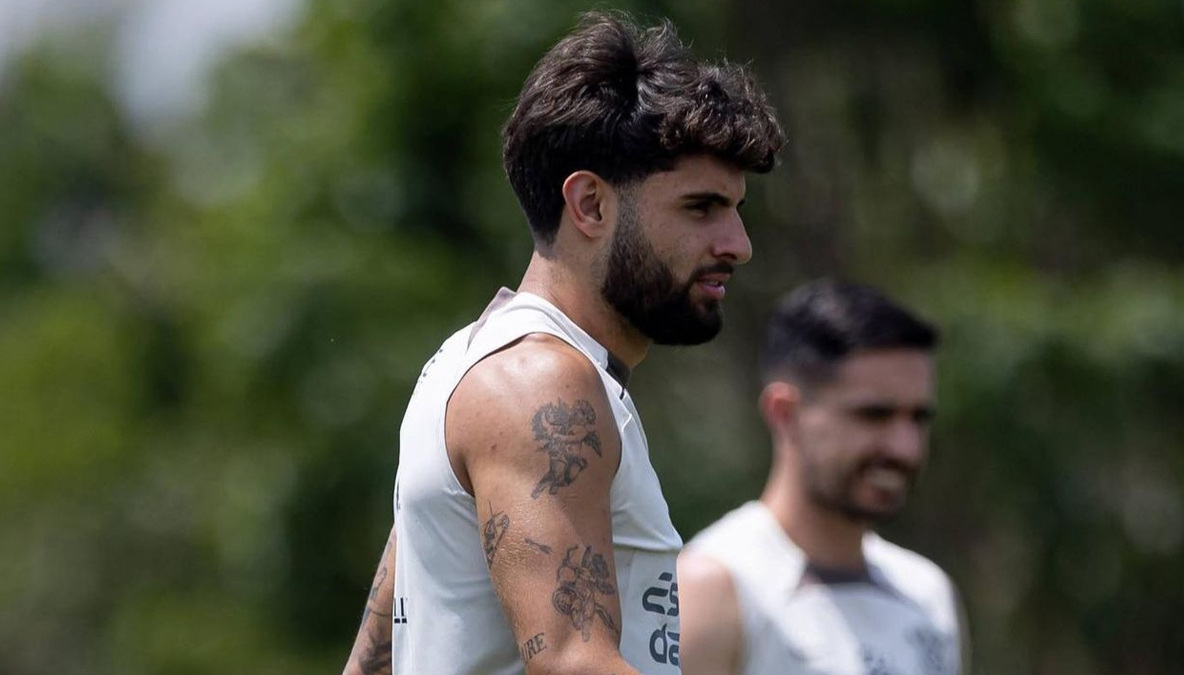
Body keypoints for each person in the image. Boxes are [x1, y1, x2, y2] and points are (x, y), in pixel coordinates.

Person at [342, 12, 785, 675]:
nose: (737, 245)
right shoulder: (541, 383)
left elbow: (373, 663)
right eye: (701, 208)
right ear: (590, 205)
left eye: (736, 210)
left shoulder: (486, 363)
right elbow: (576, 664)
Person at [678, 279, 969, 675]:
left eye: (918, 418)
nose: (905, 448)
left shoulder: (929, 595)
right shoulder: (715, 588)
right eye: (874, 415)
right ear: (785, 412)